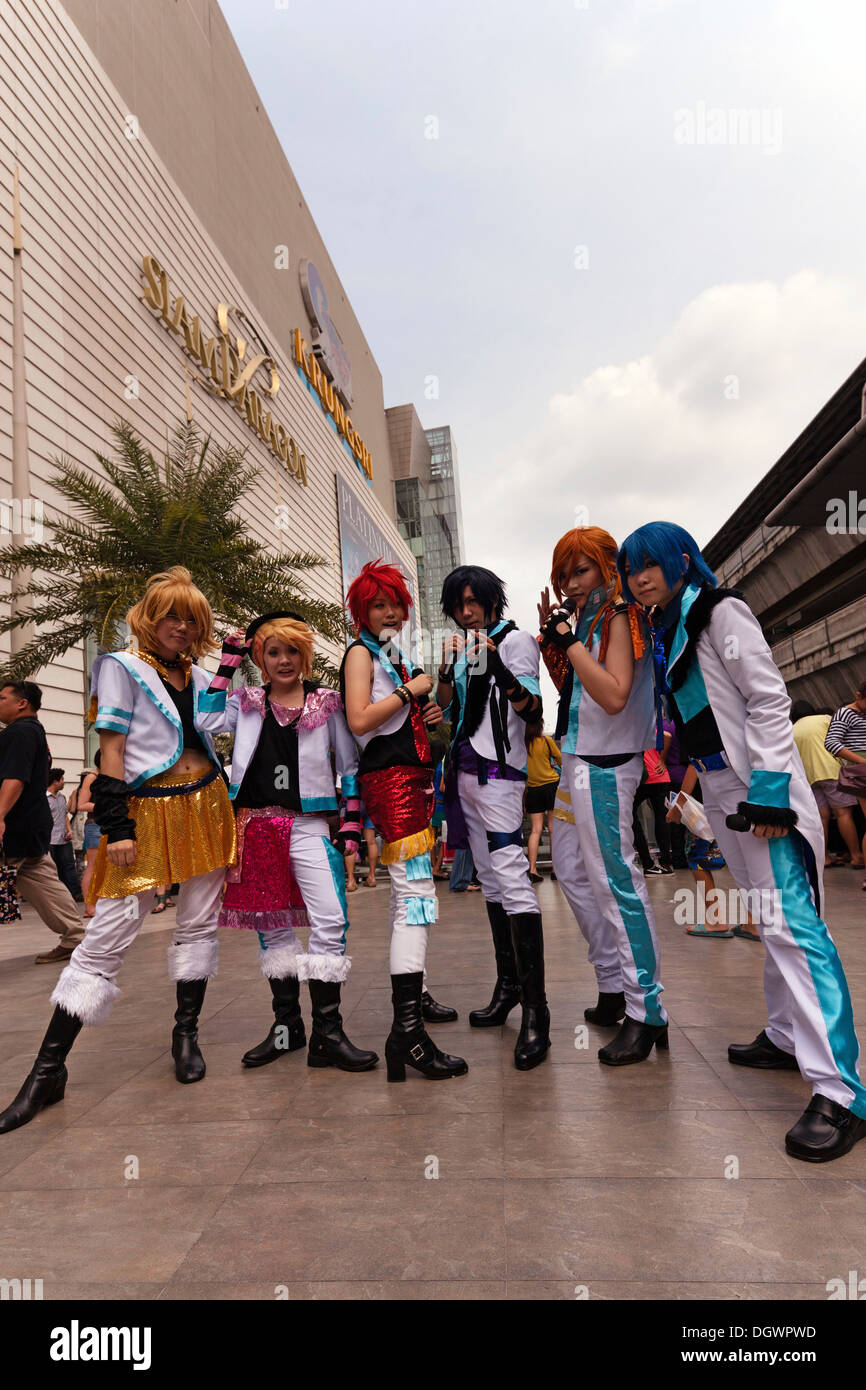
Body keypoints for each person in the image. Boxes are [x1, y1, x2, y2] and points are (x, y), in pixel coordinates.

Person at [619, 520, 866, 1162]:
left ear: (681, 560)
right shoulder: (668, 624)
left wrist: (770, 792)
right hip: (729, 792)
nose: (640, 576)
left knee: (794, 927)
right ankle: (786, 1037)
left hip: (763, 793)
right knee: (767, 919)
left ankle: (841, 1091)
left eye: (651, 562)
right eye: (631, 567)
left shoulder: (721, 611)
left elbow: (768, 700)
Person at [0, 567, 237, 1134]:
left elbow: (224, 724)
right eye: (170, 616)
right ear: (149, 619)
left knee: (199, 926)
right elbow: (112, 750)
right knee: (106, 935)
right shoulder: (121, 667)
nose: (180, 626)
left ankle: (186, 1034)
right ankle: (47, 1070)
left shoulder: (205, 675)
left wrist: (232, 668)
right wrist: (117, 825)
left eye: (190, 618)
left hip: (207, 806)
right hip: (144, 813)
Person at [197, 611, 377, 1073]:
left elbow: (350, 767)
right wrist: (227, 663)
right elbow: (206, 718)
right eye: (273, 652)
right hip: (254, 826)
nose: (283, 660)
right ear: (260, 656)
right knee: (272, 927)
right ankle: (287, 1029)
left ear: (305, 654)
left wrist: (352, 823)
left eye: (292, 651)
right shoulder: (246, 700)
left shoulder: (328, 702)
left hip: (308, 825)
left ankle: (328, 1036)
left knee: (330, 920)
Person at [539, 527, 667, 1064]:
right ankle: (614, 983)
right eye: (565, 574)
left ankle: (647, 1010)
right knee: (569, 870)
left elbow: (614, 695)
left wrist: (566, 639)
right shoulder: (587, 617)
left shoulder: (621, 614)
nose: (571, 583)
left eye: (581, 571)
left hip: (608, 765)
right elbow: (576, 688)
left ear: (607, 567)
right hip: (574, 759)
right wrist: (557, 640)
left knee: (618, 884)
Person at [342, 560, 465, 1081]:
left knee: (407, 898)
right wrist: (409, 694)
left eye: (395, 602)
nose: (389, 610)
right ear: (361, 610)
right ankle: (408, 1035)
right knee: (417, 897)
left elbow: (394, 712)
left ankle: (410, 1019)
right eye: (378, 603)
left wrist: (425, 709)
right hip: (390, 781)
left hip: (411, 777)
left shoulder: (393, 654)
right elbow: (358, 720)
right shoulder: (359, 653)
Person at [438, 564, 549, 1069]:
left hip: (501, 775)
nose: (467, 611)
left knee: (513, 880)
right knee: (491, 882)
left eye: (473, 601)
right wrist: (447, 670)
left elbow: (532, 710)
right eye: (459, 605)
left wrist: (497, 664)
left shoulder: (516, 641)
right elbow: (447, 707)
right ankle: (508, 989)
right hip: (462, 772)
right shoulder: (464, 647)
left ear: (491, 600)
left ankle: (537, 1013)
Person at [0, 681, 84, 965]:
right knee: (43, 878)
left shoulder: (19, 732)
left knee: (40, 876)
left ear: (22, 703)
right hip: (32, 824)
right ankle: (76, 938)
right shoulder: (35, 730)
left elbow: (15, 778)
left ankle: (76, 937)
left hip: (14, 824)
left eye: (2, 698)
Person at [790, 700, 862, 871]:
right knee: (843, 814)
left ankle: (825, 859)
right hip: (831, 771)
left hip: (810, 778)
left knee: (822, 818)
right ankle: (856, 856)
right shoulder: (824, 719)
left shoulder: (792, 730)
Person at [824, 692, 866, 889]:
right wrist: (862, 761)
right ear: (859, 696)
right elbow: (831, 742)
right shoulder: (845, 713)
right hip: (862, 770)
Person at [524, 719, 561, 882]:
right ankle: (555, 869)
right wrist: (552, 763)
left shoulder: (522, 745)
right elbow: (561, 759)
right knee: (553, 829)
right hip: (551, 786)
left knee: (535, 830)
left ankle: (532, 869)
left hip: (532, 789)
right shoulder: (546, 741)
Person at [632, 744, 673, 875]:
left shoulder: (635, 728)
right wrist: (662, 759)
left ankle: (647, 863)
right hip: (659, 775)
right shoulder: (654, 728)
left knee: (630, 816)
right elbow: (667, 735)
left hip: (640, 778)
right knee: (662, 819)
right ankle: (666, 863)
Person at [46, 768, 83, 900]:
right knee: (52, 869)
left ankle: (75, 893)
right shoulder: (44, 799)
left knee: (69, 866)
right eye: (61, 779)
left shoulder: (62, 797)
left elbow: (65, 815)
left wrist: (69, 830)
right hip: (50, 840)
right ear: (55, 782)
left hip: (64, 839)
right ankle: (55, 896)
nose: (63, 782)